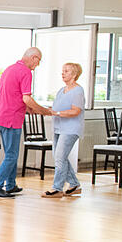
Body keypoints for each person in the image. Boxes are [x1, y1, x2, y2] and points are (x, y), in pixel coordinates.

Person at [0, 47, 52, 198]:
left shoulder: (10, 69)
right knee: (11, 155)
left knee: (12, 154)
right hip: (11, 118)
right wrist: (43, 111)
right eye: (39, 61)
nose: (38, 65)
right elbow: (26, 98)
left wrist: (29, 108)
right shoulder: (26, 72)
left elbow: (13, 94)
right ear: (34, 58)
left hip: (0, 115)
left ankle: (10, 185)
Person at [42, 62, 85, 198]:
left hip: (71, 129)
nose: (62, 73)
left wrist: (57, 113)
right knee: (59, 157)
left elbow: (76, 111)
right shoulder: (62, 90)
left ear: (74, 74)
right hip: (59, 128)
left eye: (66, 71)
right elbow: (56, 109)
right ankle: (74, 184)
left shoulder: (78, 91)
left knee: (60, 157)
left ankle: (57, 188)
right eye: (62, 71)